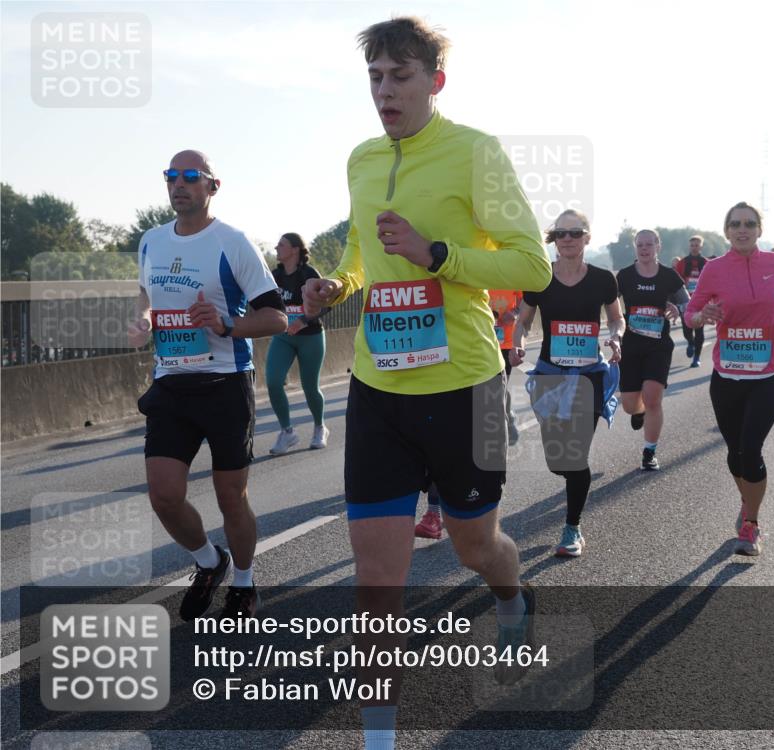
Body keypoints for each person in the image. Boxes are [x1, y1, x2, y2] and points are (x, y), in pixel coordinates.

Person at [302, 18, 551, 750]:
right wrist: (336, 283)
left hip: (467, 386)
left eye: (400, 76)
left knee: (479, 546)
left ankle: (512, 599)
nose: (384, 91)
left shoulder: (475, 153)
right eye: (375, 77)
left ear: (434, 81)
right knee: (376, 579)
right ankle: (380, 739)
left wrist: (437, 253)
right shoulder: (360, 158)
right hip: (379, 388)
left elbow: (530, 266)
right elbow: (358, 246)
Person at [126, 150, 287, 620]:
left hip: (224, 384)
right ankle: (208, 561)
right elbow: (145, 294)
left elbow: (276, 316)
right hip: (171, 384)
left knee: (229, 496)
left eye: (190, 177)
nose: (179, 184)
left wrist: (226, 325)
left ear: (212, 187)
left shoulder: (232, 243)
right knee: (164, 494)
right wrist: (142, 319)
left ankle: (243, 580)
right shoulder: (151, 241)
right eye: (171, 176)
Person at [684, 201, 774, 556]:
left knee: (751, 449)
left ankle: (751, 524)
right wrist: (704, 314)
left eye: (749, 223)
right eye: (735, 224)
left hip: (768, 375)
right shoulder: (714, 270)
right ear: (727, 231)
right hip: (727, 376)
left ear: (759, 229)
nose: (742, 229)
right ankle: (747, 502)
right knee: (734, 455)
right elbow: (690, 315)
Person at [510, 209, 622, 557]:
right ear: (554, 239)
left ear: (588, 237)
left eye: (576, 233)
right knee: (557, 460)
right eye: (561, 234)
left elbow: (617, 319)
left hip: (589, 376)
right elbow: (523, 321)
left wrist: (617, 338)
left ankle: (572, 528)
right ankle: (573, 483)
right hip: (550, 376)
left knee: (574, 457)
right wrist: (517, 342)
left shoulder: (604, 279)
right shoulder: (540, 277)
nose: (568, 239)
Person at [616, 229, 687, 470]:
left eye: (649, 244)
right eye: (640, 245)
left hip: (659, 346)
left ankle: (649, 452)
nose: (644, 249)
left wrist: (679, 309)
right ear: (635, 248)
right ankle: (639, 412)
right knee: (629, 405)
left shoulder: (669, 276)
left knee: (653, 397)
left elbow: (687, 302)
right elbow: (608, 303)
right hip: (631, 345)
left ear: (658, 246)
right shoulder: (624, 276)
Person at [266, 233, 330, 455]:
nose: (276, 247)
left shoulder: (309, 274)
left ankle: (320, 427)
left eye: (281, 244)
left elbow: (327, 304)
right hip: (283, 337)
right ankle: (287, 432)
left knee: (310, 387)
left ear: (294, 250)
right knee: (273, 382)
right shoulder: (274, 276)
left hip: (310, 337)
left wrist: (302, 321)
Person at [489, 289, 523, 444]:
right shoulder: (475, 267)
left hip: (506, 343)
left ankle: (506, 418)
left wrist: (515, 314)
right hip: (479, 340)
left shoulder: (513, 270)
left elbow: (526, 303)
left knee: (499, 385)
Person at [673, 235, 707, 366]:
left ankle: (696, 358)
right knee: (687, 329)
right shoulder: (682, 263)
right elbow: (676, 283)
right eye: (692, 245)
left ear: (701, 246)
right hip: (685, 300)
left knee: (699, 329)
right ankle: (690, 342)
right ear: (689, 246)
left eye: (697, 245)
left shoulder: (706, 263)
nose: (694, 248)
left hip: (701, 301)